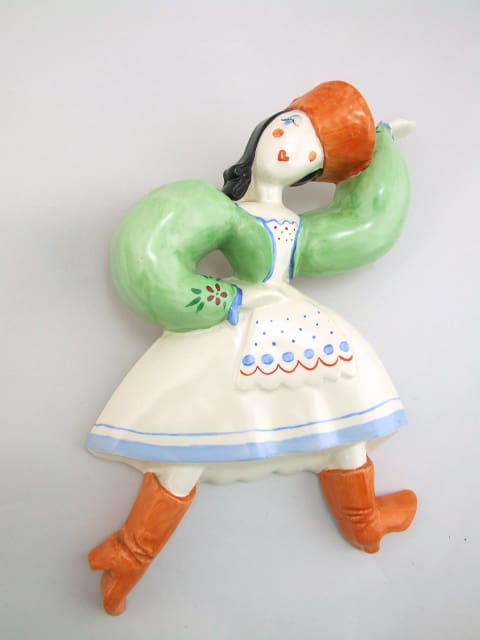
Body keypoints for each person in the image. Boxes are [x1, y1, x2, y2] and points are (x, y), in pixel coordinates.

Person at [87, 81, 417, 615]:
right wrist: (213, 298)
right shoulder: (225, 212)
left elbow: (367, 225)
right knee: (188, 440)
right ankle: (132, 551)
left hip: (295, 327)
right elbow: (161, 251)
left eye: (312, 153)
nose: (292, 149)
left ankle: (367, 522)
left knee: (344, 423)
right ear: (266, 127)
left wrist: (383, 147)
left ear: (312, 173)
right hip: (236, 321)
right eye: (291, 127)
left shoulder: (297, 227)